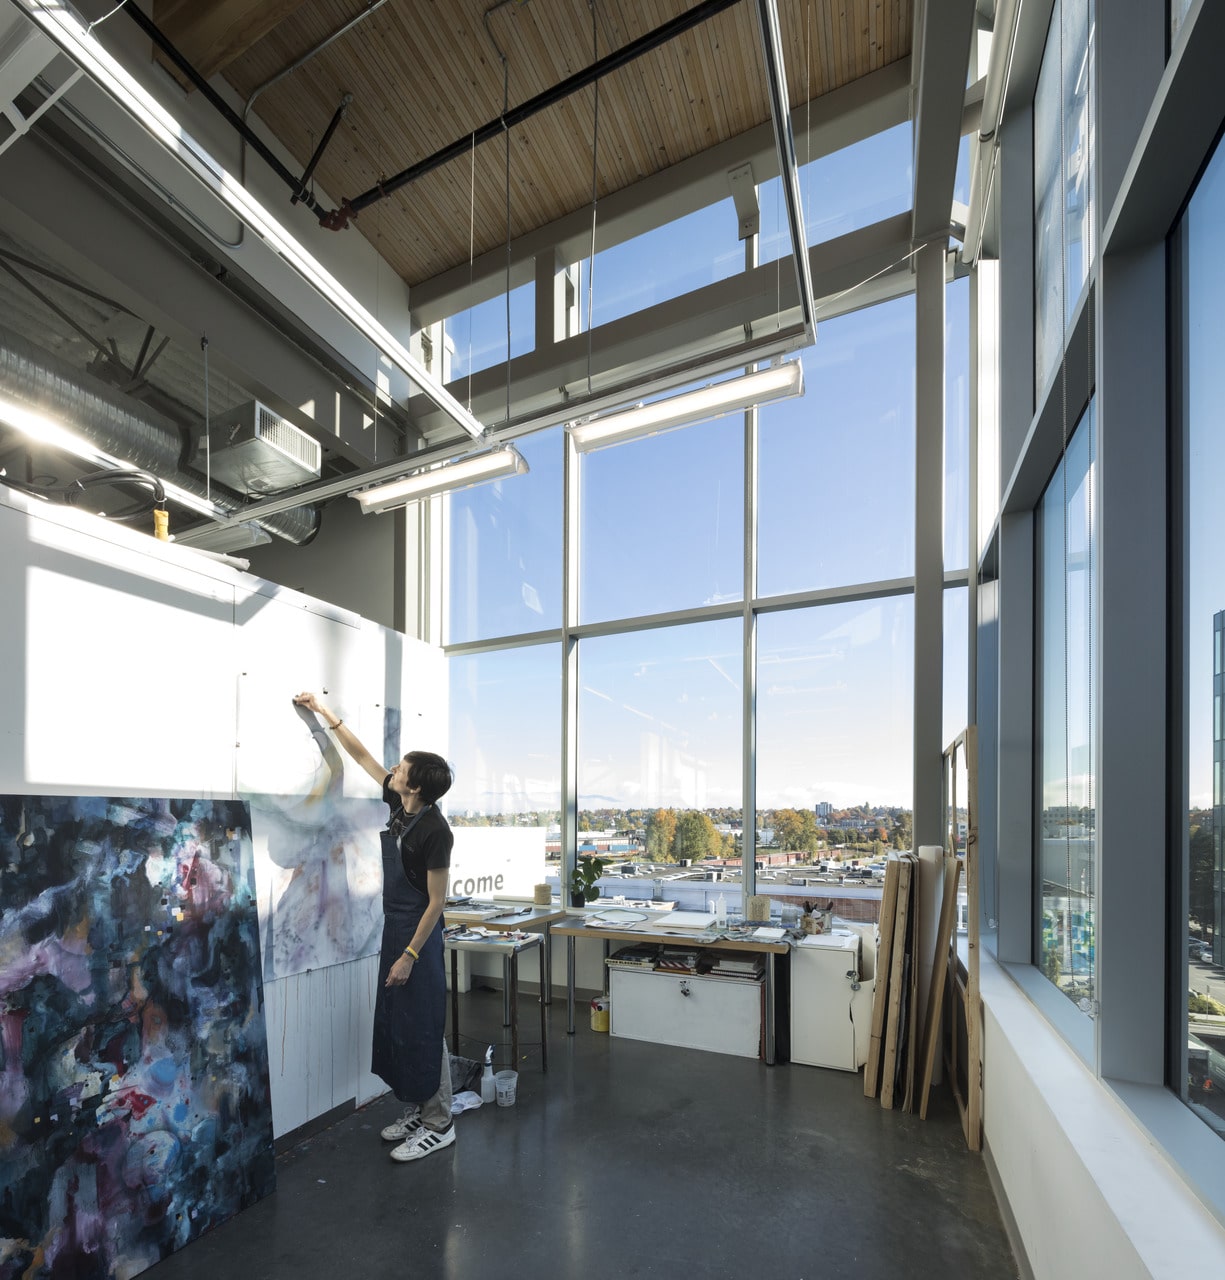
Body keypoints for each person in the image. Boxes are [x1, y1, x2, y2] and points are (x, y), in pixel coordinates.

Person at [292, 692, 456, 1163]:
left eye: (402, 768)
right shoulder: (401, 802)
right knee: (399, 1023)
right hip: (395, 927)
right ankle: (421, 1109)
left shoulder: (434, 832)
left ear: (417, 788)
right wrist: (324, 715)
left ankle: (439, 1122)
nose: (394, 770)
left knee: (424, 1024)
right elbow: (360, 755)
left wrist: (410, 955)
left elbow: (437, 903)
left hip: (419, 936)